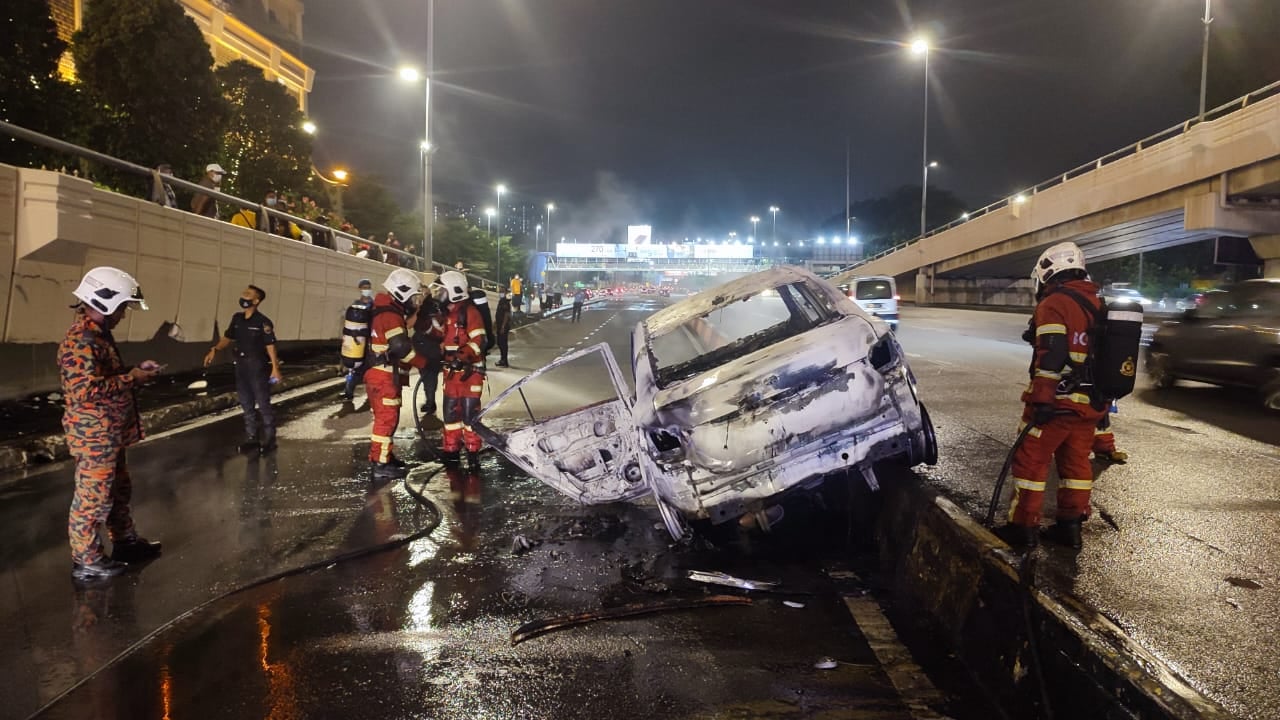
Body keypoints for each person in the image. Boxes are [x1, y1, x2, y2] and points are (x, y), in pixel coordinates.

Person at [999, 241, 1106, 550]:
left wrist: (1042, 400)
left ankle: (1022, 528)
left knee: (1031, 463)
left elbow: (1051, 353)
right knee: (1076, 467)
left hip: (1057, 403)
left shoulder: (1054, 304)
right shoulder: (1098, 304)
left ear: (1047, 271)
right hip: (1090, 404)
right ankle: (1069, 529)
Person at [61, 267, 163, 582]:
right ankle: (87, 560)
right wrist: (131, 377)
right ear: (104, 301)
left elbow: (104, 380)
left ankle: (125, 542)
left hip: (108, 432)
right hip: (94, 435)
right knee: (92, 498)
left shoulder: (99, 336)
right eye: (121, 307)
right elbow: (83, 391)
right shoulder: (81, 340)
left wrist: (133, 372)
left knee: (118, 489)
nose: (122, 314)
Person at [366, 269, 428, 480]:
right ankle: (381, 465)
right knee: (387, 420)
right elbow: (401, 348)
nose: (414, 300)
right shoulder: (390, 315)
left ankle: (383, 456)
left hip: (378, 374)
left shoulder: (383, 310)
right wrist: (422, 362)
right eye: (412, 296)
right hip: (383, 377)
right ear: (401, 293)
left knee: (385, 419)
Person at [204, 285, 283, 453]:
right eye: (244, 293)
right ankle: (251, 438)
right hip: (240, 366)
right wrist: (215, 349)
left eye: (248, 294)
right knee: (246, 404)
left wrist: (275, 368)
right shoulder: (237, 318)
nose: (243, 296)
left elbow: (270, 345)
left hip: (257, 366)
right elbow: (227, 337)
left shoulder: (263, 322)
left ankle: (270, 439)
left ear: (256, 301)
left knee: (263, 403)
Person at [436, 271, 488, 466]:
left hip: (470, 374)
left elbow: (479, 341)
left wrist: (462, 356)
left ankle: (473, 452)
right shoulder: (446, 315)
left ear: (454, 292)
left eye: (442, 291)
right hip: (451, 374)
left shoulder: (470, 313)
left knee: (469, 414)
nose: (439, 295)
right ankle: (451, 451)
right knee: (451, 415)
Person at [412, 284, 446, 417]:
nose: (421, 295)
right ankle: (430, 400)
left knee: (429, 375)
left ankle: (430, 402)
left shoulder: (430, 308)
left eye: (423, 293)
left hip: (430, 346)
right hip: (424, 345)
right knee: (427, 375)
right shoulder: (419, 308)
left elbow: (437, 328)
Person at [340, 279, 375, 403]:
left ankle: (369, 395)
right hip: (356, 342)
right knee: (354, 368)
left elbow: (373, 324)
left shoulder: (373, 305)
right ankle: (348, 392)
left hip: (369, 341)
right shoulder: (355, 304)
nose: (366, 289)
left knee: (369, 369)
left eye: (368, 287)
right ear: (359, 289)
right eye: (364, 287)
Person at [494, 292, 513, 367]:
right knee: (500, 342)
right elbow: (499, 313)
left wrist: (502, 327)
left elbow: (506, 315)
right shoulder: (502, 301)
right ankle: (503, 359)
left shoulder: (505, 302)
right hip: (500, 325)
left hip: (503, 326)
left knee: (502, 343)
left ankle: (504, 361)